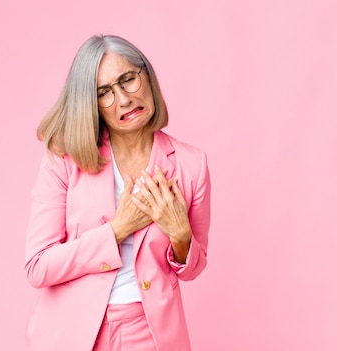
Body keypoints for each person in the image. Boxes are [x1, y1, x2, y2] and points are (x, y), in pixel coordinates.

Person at [24, 34, 211, 351]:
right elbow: (38, 266)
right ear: (91, 105)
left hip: (152, 334)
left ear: (146, 75)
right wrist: (118, 229)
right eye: (104, 93)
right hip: (73, 334)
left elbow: (193, 267)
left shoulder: (191, 163)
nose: (124, 99)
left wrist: (180, 235)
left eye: (128, 80)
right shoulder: (64, 159)